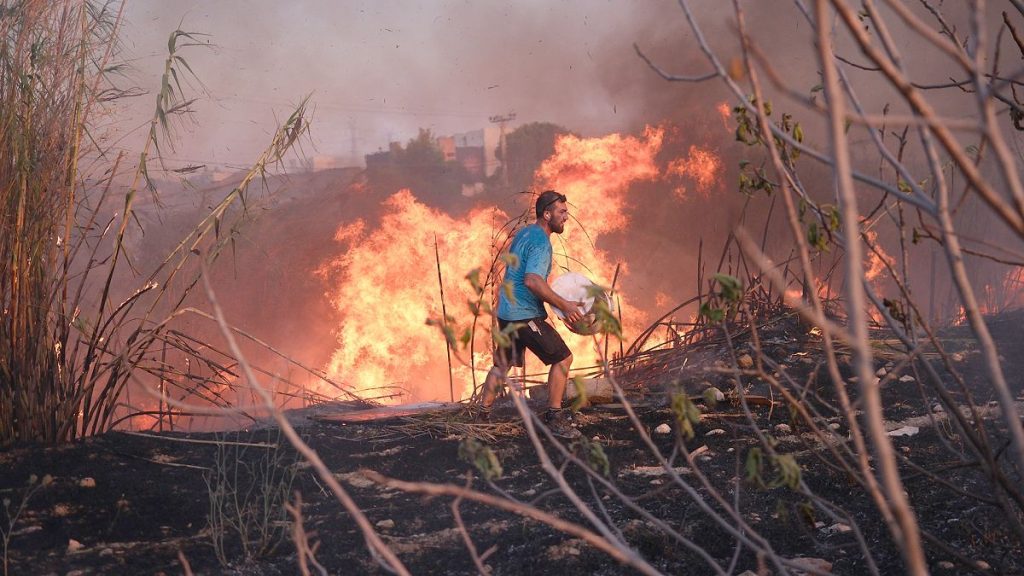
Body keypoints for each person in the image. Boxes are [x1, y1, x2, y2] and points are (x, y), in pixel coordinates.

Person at [479, 190, 584, 438]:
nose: (566, 217)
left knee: (501, 365)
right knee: (563, 359)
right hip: (523, 315)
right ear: (547, 214)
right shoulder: (541, 242)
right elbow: (533, 281)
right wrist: (565, 305)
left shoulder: (525, 232)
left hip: (506, 311)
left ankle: (482, 414)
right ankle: (555, 417)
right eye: (562, 212)